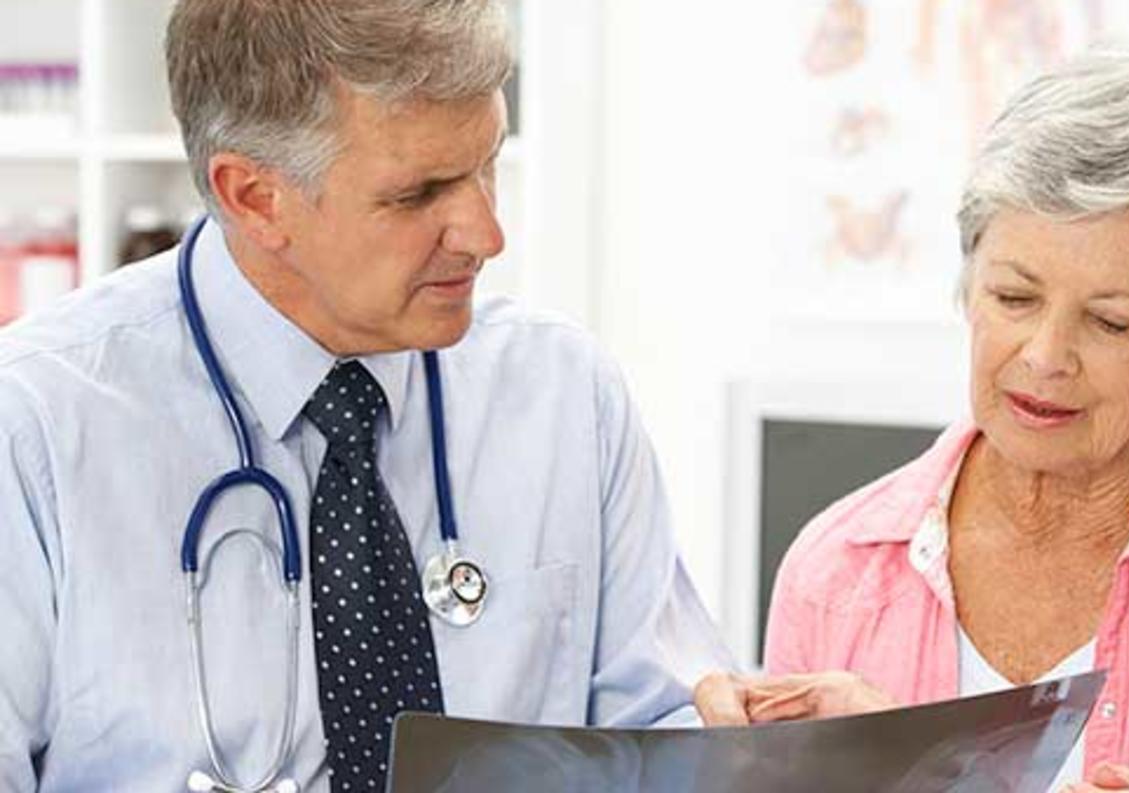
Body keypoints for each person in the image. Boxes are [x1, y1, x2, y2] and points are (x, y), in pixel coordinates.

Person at [0, 1, 731, 791]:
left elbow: (665, 729)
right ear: (253, 196)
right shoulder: (35, 428)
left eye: (486, 163)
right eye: (419, 194)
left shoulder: (564, 395)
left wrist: (743, 744)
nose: (486, 234)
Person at [695, 50, 1129, 790]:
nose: (1045, 357)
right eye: (1014, 298)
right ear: (969, 282)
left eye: (1109, 322)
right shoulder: (834, 571)